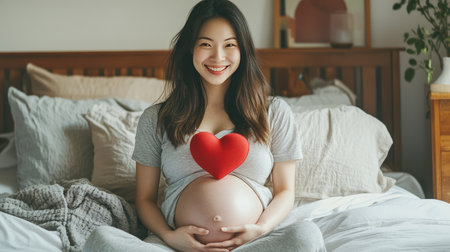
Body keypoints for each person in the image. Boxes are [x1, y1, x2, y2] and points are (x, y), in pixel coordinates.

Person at [83, 0, 326, 251]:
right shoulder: (156, 118)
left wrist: (261, 229)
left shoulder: (273, 112)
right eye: (206, 44)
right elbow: (145, 200)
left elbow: (285, 191)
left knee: (306, 236)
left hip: (253, 244)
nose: (218, 57)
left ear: (243, 50)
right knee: (102, 239)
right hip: (178, 246)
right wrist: (169, 236)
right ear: (190, 48)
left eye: (229, 45)